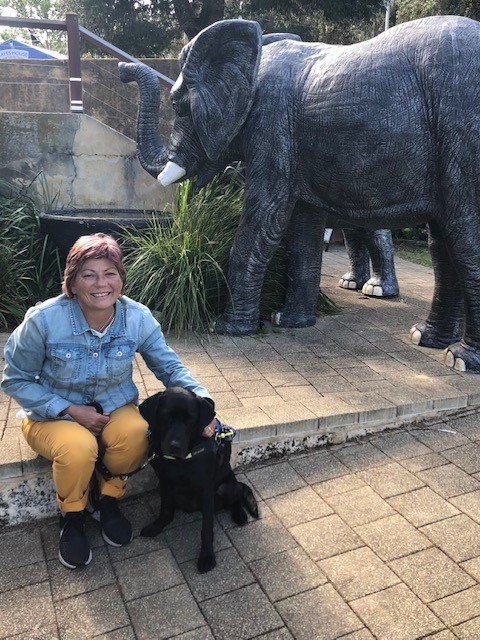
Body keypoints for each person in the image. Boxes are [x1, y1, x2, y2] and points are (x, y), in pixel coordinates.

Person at [1, 233, 216, 570]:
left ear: (121, 279)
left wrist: (205, 405)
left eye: (110, 273)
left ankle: (107, 500)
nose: (101, 283)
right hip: (51, 416)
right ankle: (72, 516)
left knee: (137, 431)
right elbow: (14, 379)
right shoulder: (44, 321)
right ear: (71, 282)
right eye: (89, 274)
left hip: (115, 408)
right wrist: (69, 409)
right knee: (77, 446)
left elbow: (170, 367)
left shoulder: (137, 318)